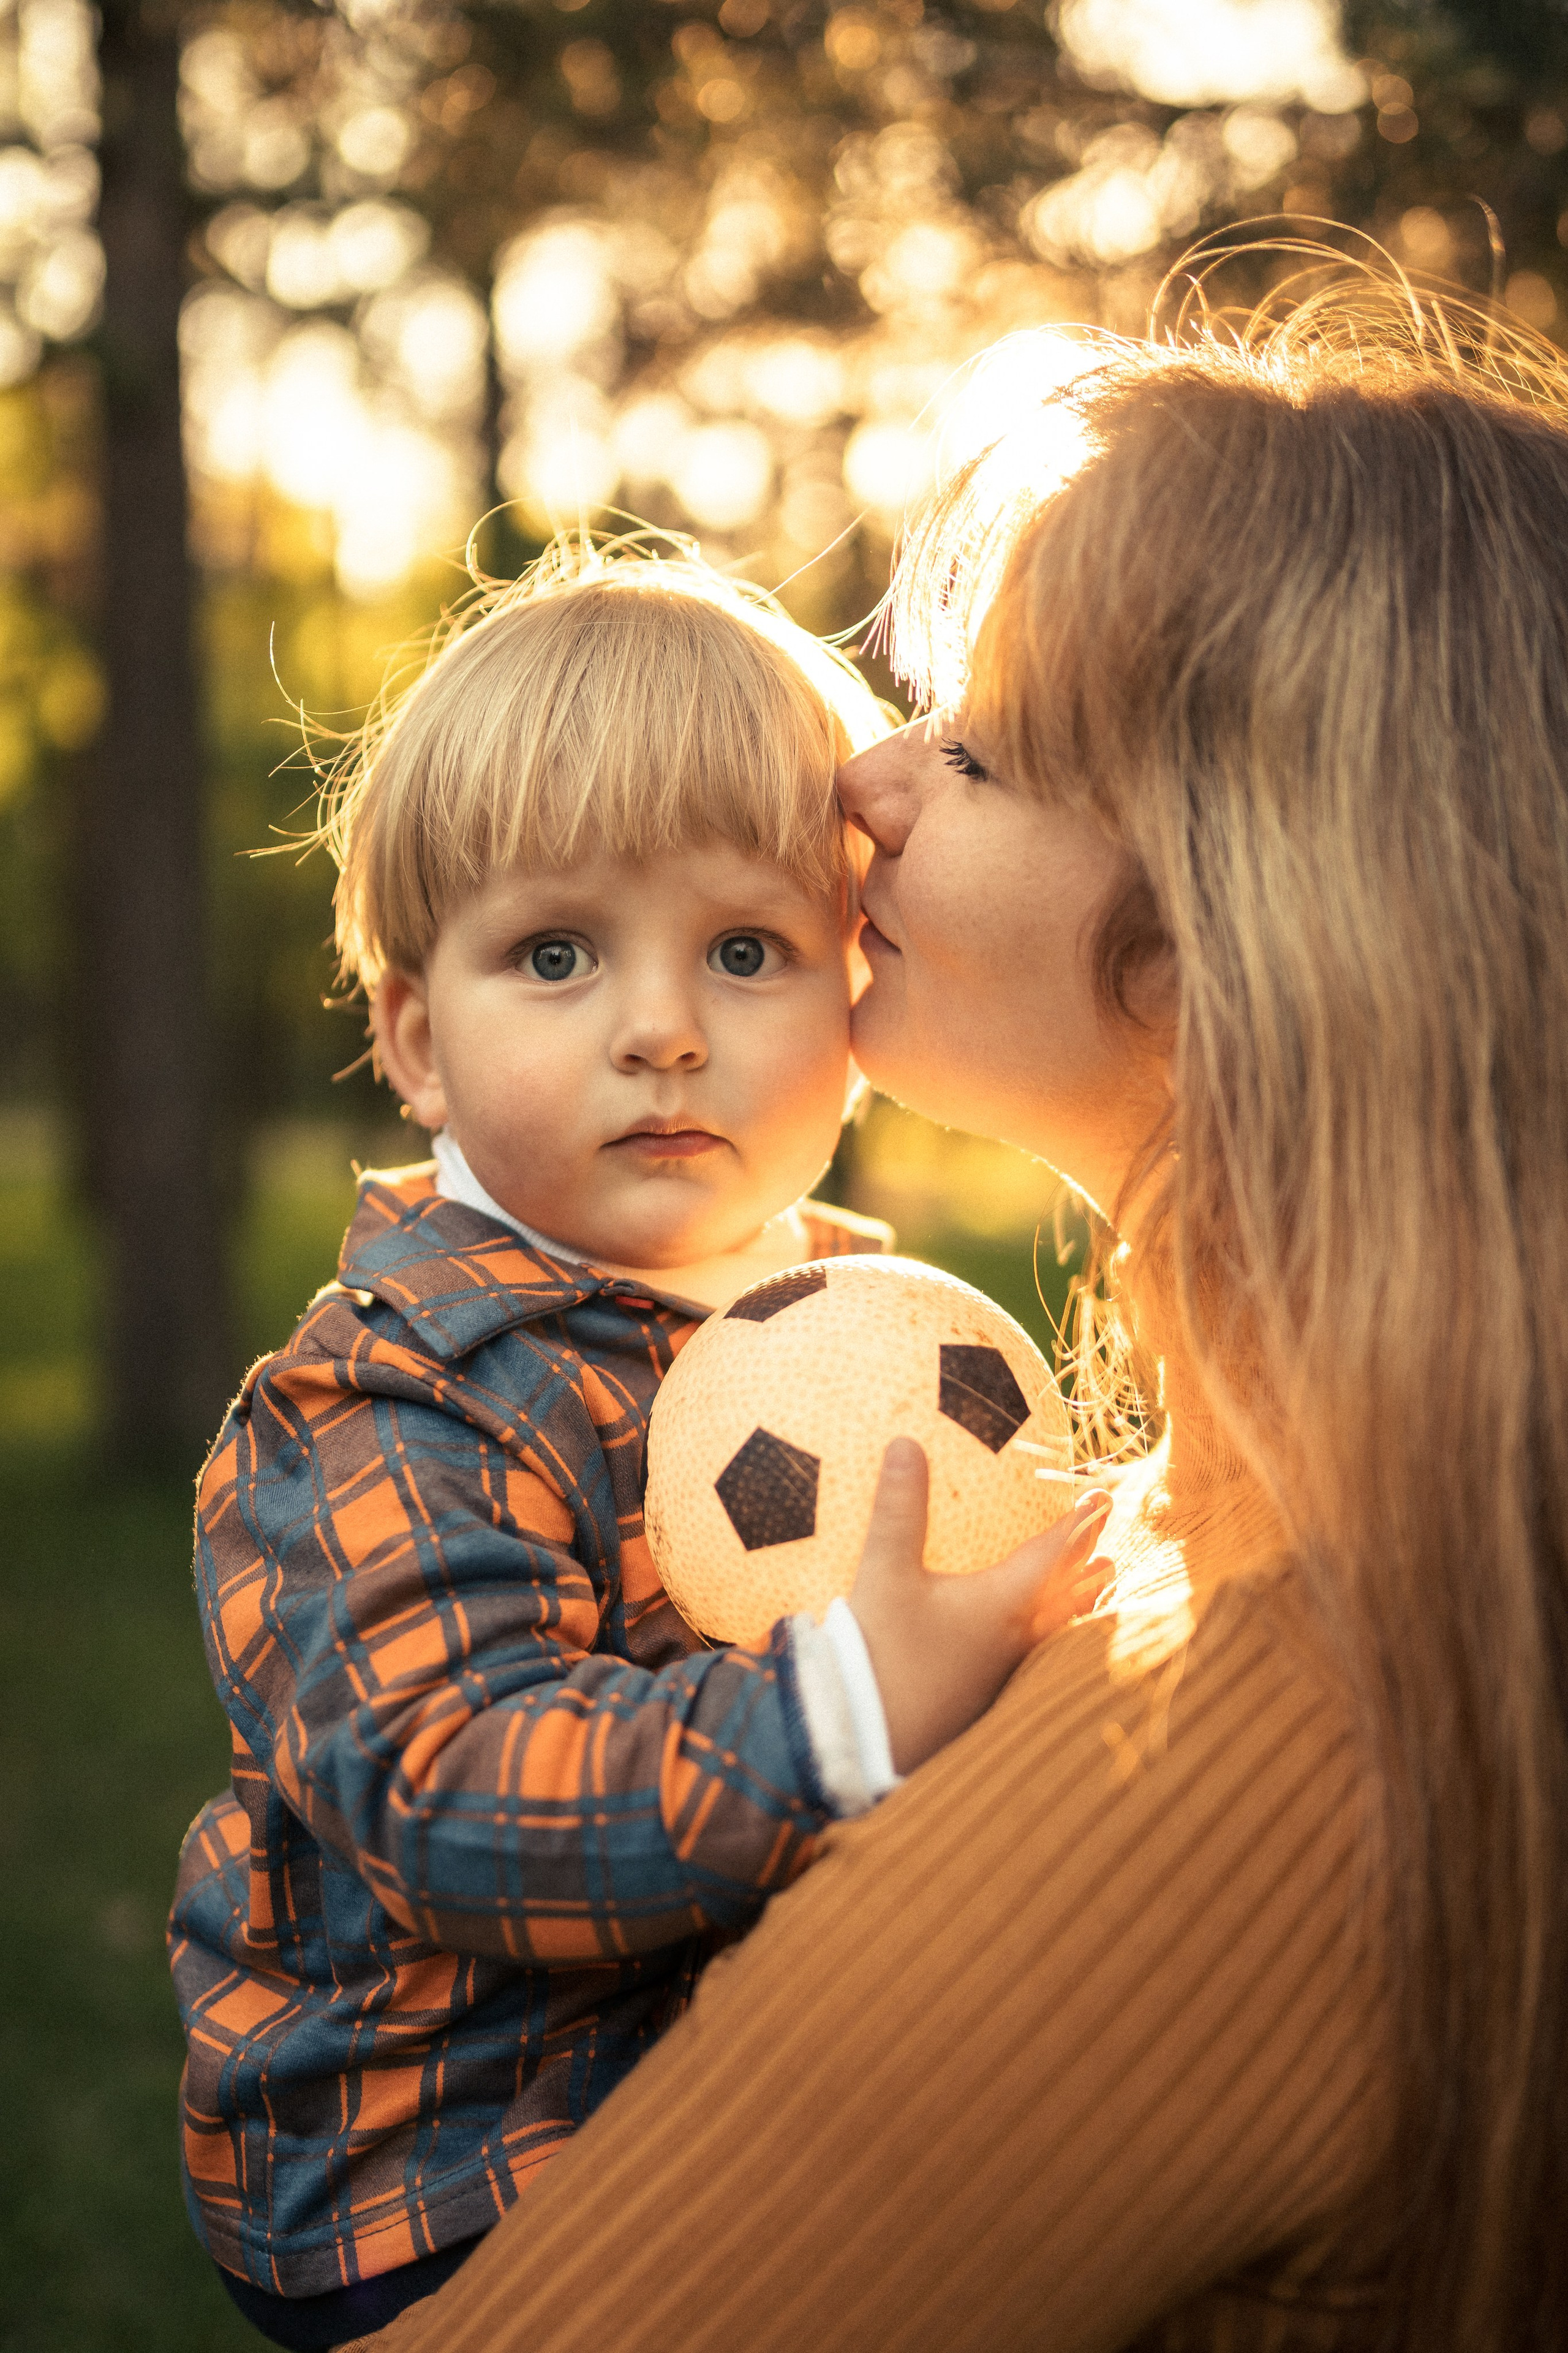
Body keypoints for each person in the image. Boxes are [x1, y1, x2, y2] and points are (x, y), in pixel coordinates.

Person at [360, 279, 1568, 2353]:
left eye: (987, 745)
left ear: (1231, 923)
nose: (875, 781)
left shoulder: (1232, 1754)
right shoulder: (1274, 1531)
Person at [167, 545, 1114, 2353]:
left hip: (715, 2054)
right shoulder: (394, 1402)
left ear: (857, 997)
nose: (664, 1026)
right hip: (444, 2164)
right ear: (420, 1043)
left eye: (747, 949)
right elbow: (453, 1793)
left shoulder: (873, 1330)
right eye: (557, 953)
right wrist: (838, 1716)